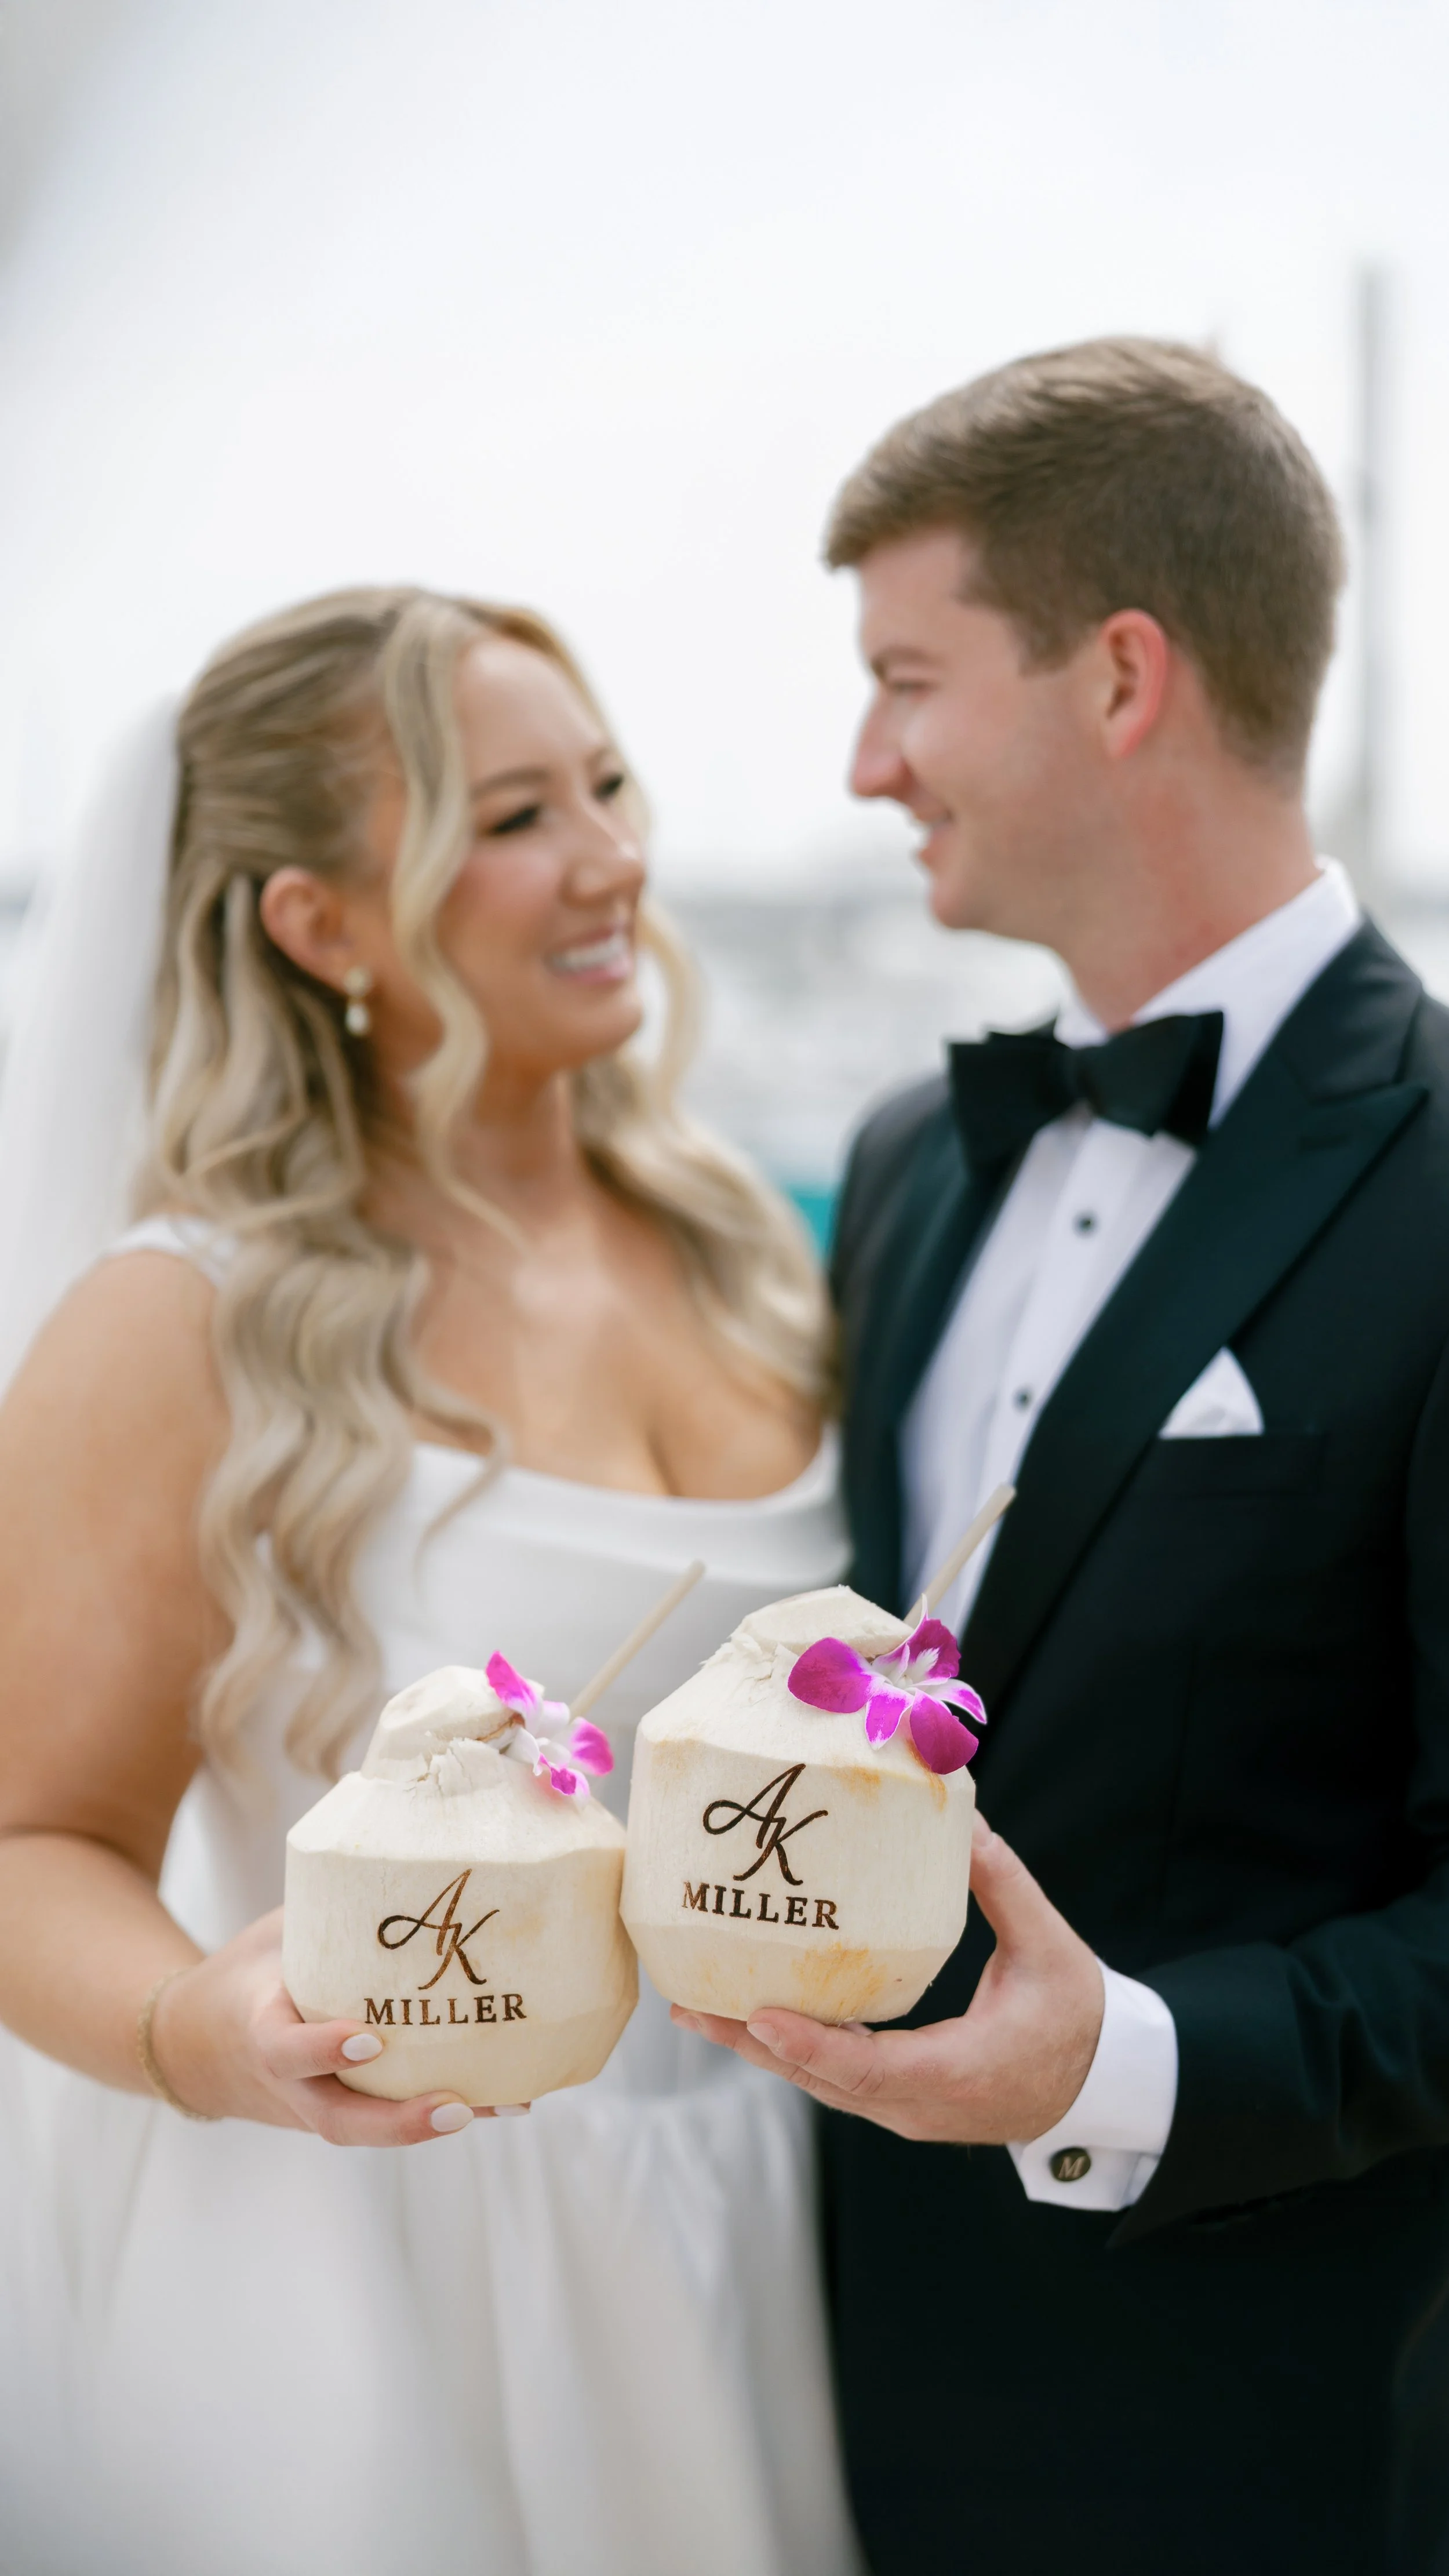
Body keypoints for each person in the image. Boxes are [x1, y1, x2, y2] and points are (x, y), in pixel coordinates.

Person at [679, 339, 1449, 2575]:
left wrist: (1116, 2064)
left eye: (908, 678)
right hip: (835, 2387)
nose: (862, 760)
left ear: (1121, 677)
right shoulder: (912, 1157)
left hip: (1271, 2436)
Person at [0, 587, 865, 2576]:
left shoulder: (749, 1245)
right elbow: (32, 1831)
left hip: (779, 2212)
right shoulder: (182, 1320)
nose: (612, 861)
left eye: (611, 787)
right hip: (386, 2251)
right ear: (318, 924)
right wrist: (195, 2031)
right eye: (508, 819)